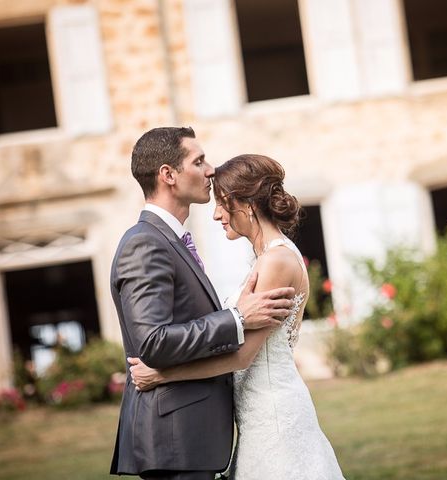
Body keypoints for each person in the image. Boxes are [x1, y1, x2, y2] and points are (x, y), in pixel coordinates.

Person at [128, 154, 346, 480]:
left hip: (275, 419)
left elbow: (242, 356)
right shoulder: (266, 258)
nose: (216, 214)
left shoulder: (277, 261)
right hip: (258, 416)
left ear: (248, 204)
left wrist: (162, 375)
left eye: (222, 203)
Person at [109, 128, 295, 480]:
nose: (210, 169)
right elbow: (152, 341)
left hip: (193, 439)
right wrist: (237, 318)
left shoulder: (171, 241)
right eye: (198, 161)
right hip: (175, 440)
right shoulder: (145, 244)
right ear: (168, 175)